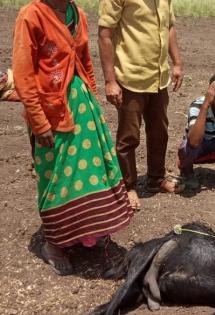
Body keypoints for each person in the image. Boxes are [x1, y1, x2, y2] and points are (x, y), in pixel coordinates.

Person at [12, 0, 133, 275]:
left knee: (92, 170)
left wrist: (92, 97)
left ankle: (91, 232)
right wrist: (38, 120)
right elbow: (23, 73)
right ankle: (54, 243)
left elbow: (84, 59)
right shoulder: (31, 15)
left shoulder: (77, 14)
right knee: (57, 176)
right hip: (51, 111)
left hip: (82, 108)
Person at [98, 0, 184, 210]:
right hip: (130, 78)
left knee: (159, 132)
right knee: (129, 137)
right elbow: (104, 35)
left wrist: (177, 63)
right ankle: (128, 187)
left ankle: (156, 179)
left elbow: (169, 26)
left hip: (158, 78)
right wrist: (110, 81)